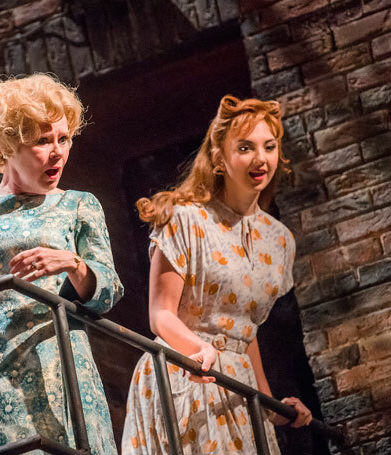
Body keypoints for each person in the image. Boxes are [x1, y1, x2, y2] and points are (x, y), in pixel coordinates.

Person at [0, 73, 124, 454]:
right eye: (42, 141)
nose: (58, 152)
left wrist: (73, 264)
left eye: (64, 138)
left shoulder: (77, 205)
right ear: (8, 147)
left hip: (55, 364)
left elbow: (108, 289)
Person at [121, 95, 313, 454]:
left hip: (239, 387)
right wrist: (198, 349)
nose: (260, 159)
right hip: (184, 370)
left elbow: (244, 330)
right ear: (220, 157)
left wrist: (271, 408)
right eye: (245, 147)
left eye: (269, 147)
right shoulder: (185, 218)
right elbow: (160, 314)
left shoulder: (278, 240)